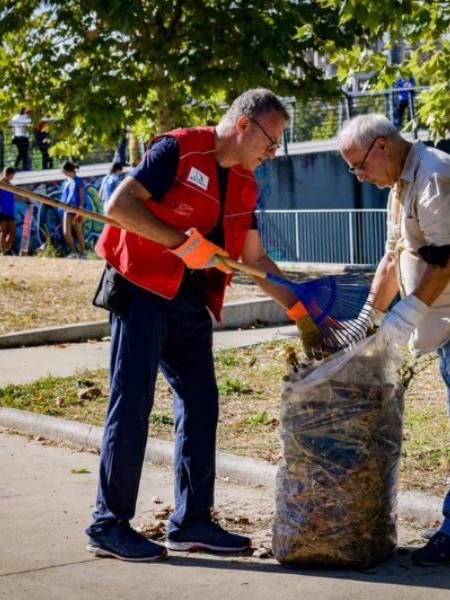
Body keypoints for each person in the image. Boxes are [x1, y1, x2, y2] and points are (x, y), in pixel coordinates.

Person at [86, 88, 328, 562]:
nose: (272, 153)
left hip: (190, 302)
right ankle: (107, 524)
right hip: (141, 290)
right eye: (271, 141)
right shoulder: (177, 148)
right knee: (131, 403)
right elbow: (119, 206)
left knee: (201, 403)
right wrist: (179, 243)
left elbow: (256, 260)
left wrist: (302, 313)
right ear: (244, 126)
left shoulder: (245, 183)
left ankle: (192, 521)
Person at [338, 114, 450, 566]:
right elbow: (390, 260)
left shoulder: (436, 176)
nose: (360, 177)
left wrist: (410, 310)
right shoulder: (402, 185)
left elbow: (446, 257)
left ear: (381, 146)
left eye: (359, 166)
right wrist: (370, 317)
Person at [60, 160, 87, 259]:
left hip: (77, 209)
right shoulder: (67, 181)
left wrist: (80, 211)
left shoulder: (79, 180)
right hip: (67, 209)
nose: (63, 173)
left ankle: (83, 254)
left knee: (79, 232)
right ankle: (73, 252)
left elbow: (82, 197)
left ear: (67, 170)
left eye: (63, 171)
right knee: (66, 232)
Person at [0, 166, 18, 255]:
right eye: (11, 176)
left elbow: (14, 197)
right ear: (6, 174)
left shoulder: (10, 185)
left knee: (12, 231)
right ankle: (4, 251)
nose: (11, 178)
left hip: (10, 211)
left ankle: (7, 248)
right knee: (4, 231)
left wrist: (26, 200)